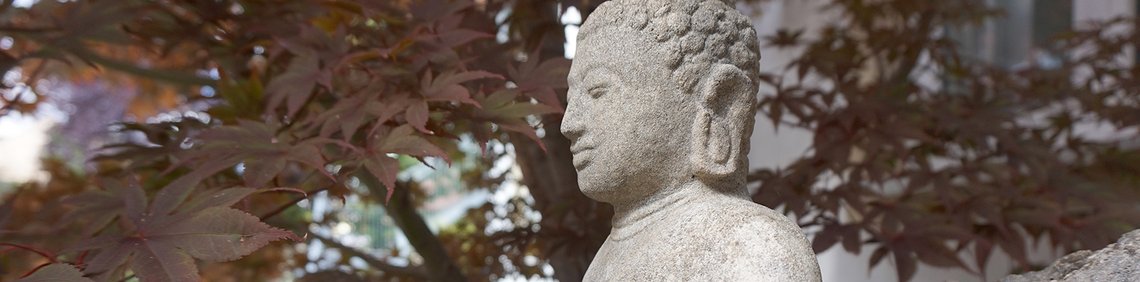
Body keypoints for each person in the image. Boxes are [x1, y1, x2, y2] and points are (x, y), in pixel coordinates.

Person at [561, 0, 822, 280]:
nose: (568, 124)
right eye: (570, 100)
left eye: (597, 92)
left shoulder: (751, 244)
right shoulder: (603, 262)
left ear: (720, 102)